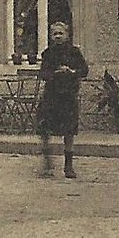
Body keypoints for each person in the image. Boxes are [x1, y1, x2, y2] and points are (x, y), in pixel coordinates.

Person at [35, 20, 89, 179]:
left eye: (61, 33)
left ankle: (68, 166)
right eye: (55, 34)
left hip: (68, 96)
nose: (58, 36)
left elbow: (84, 70)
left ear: (67, 35)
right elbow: (44, 74)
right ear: (51, 36)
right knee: (44, 128)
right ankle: (47, 160)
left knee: (69, 131)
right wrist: (55, 73)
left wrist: (72, 71)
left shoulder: (74, 53)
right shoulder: (47, 53)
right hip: (51, 96)